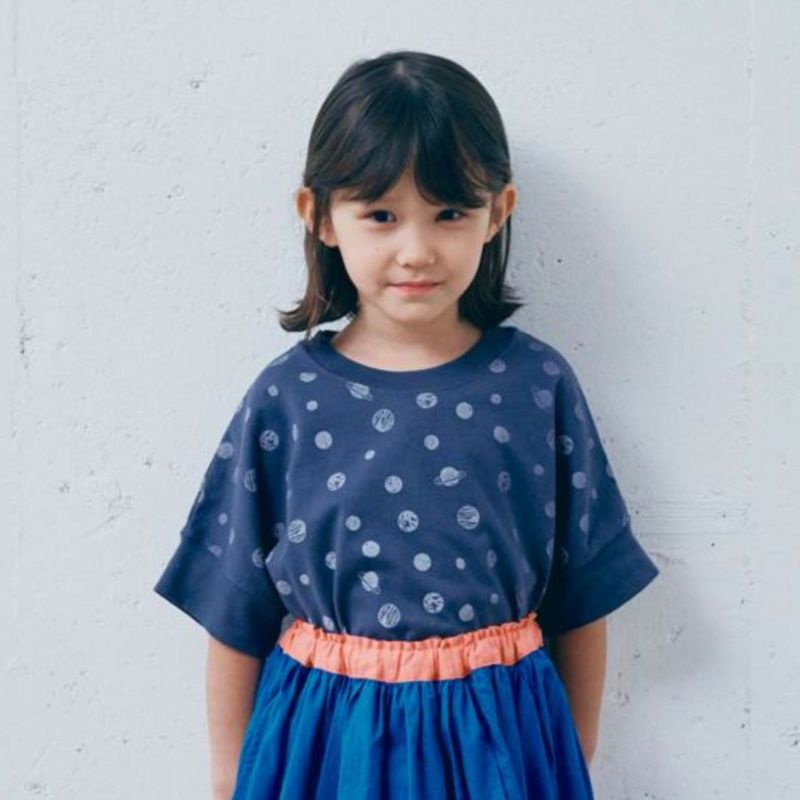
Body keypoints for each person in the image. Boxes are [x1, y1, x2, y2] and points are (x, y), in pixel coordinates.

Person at [153, 49, 660, 800]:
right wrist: (231, 775)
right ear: (320, 216)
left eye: (450, 213)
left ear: (499, 212)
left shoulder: (536, 386)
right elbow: (234, 607)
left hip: (501, 736)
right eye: (381, 215)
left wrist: (570, 748)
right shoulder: (287, 397)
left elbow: (584, 592)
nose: (416, 251)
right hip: (325, 745)